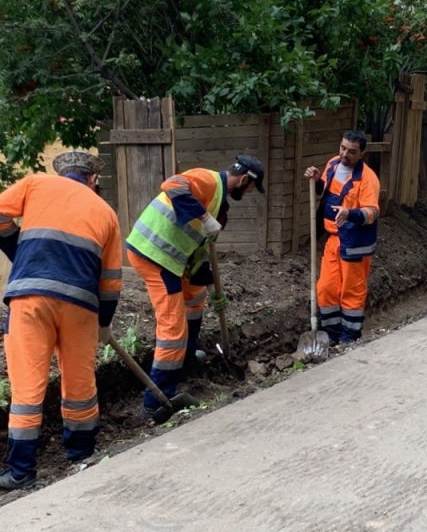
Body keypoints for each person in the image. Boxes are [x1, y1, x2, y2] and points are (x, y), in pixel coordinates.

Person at [0, 151, 122, 490]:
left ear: (62, 172)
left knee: (27, 388)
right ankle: (81, 455)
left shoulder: (35, 184)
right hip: (81, 305)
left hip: (29, 298)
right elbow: (111, 280)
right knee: (79, 384)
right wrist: (105, 323)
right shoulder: (106, 212)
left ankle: (21, 471)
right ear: (93, 179)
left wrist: (19, 251)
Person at [125, 155, 265, 418]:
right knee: (172, 329)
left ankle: (185, 361)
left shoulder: (220, 210)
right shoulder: (207, 179)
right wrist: (203, 216)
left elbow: (198, 254)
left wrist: (212, 286)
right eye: (249, 189)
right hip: (153, 253)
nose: (248, 193)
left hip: (176, 259)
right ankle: (157, 399)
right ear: (245, 179)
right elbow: (172, 185)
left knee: (195, 297)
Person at [304, 130, 380, 345]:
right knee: (326, 288)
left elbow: (372, 212)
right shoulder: (333, 164)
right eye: (343, 148)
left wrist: (350, 213)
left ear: (362, 154)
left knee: (351, 291)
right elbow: (326, 191)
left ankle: (349, 338)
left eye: (352, 151)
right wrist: (317, 180)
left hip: (355, 243)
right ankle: (331, 336)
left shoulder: (367, 179)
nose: (345, 154)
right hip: (334, 238)